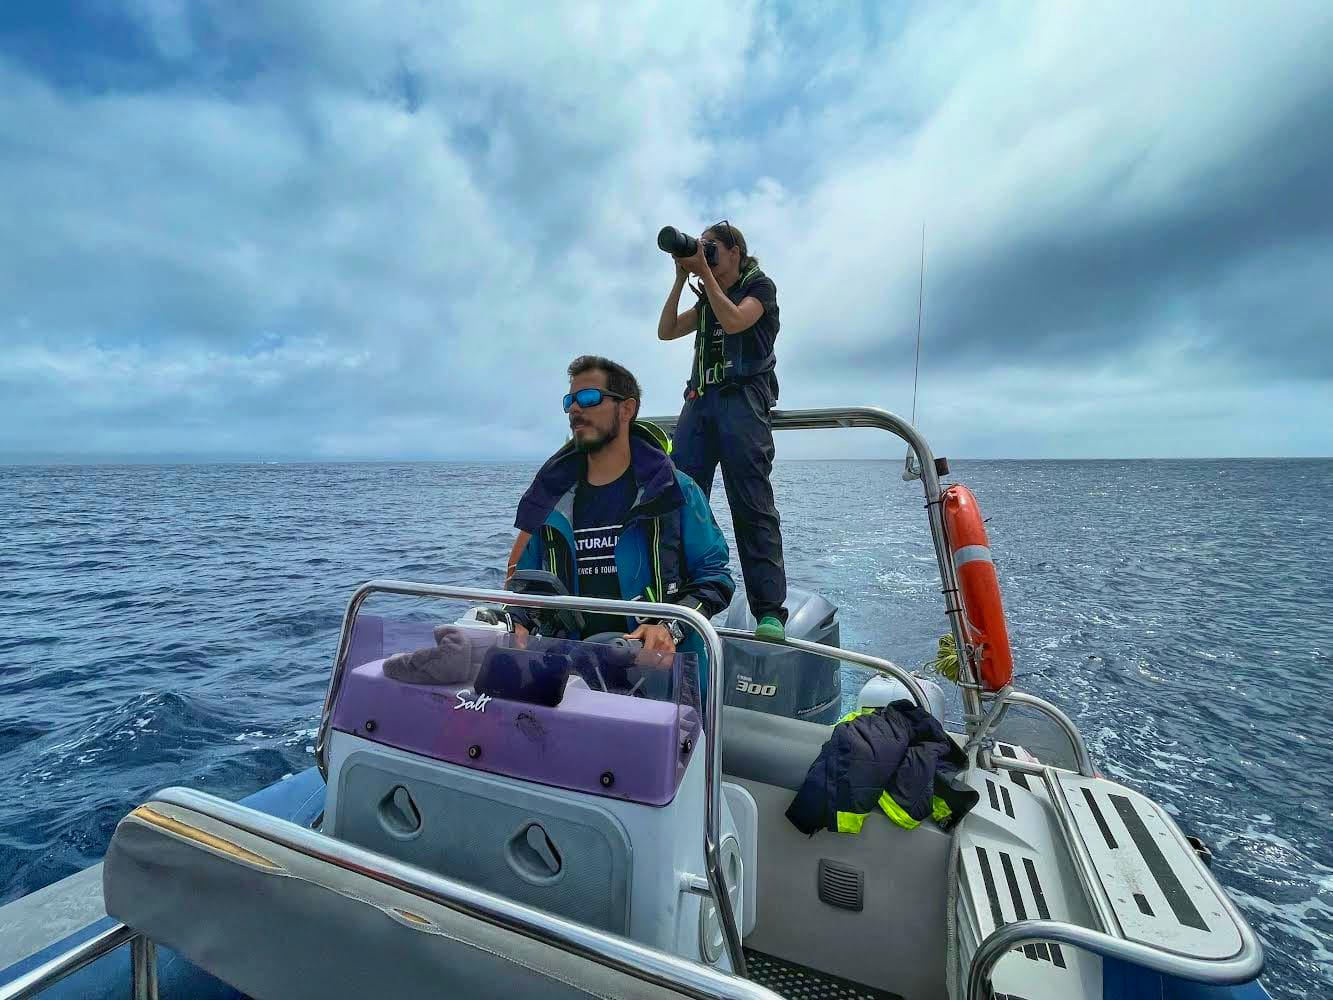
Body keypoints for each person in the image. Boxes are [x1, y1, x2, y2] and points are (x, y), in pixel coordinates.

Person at [507, 355, 735, 688]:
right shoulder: (552, 498)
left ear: (626, 409)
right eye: (570, 401)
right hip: (570, 679)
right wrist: (520, 619)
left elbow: (715, 577)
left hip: (662, 680)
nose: (574, 409)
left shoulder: (675, 492)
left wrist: (669, 628)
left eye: (588, 398)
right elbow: (529, 587)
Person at [657, 220, 788, 641]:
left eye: (711, 247)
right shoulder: (706, 292)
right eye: (702, 247)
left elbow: (735, 322)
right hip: (700, 402)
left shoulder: (760, 287)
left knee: (750, 504)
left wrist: (705, 276)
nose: (705, 253)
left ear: (735, 251)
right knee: (678, 499)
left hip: (742, 402)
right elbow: (666, 330)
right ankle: (680, 597)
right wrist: (681, 279)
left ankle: (768, 611)